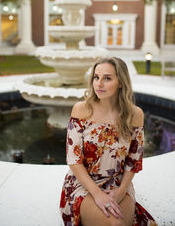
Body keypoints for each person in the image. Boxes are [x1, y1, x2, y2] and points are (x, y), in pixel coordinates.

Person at [60, 56, 157, 226]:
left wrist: (121, 191)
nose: (99, 84)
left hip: (118, 183)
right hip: (84, 184)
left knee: (118, 223)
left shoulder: (135, 115)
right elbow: (73, 160)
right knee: (113, 223)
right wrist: (97, 194)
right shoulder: (82, 110)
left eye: (107, 78)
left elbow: (133, 162)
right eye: (96, 78)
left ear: (121, 82)